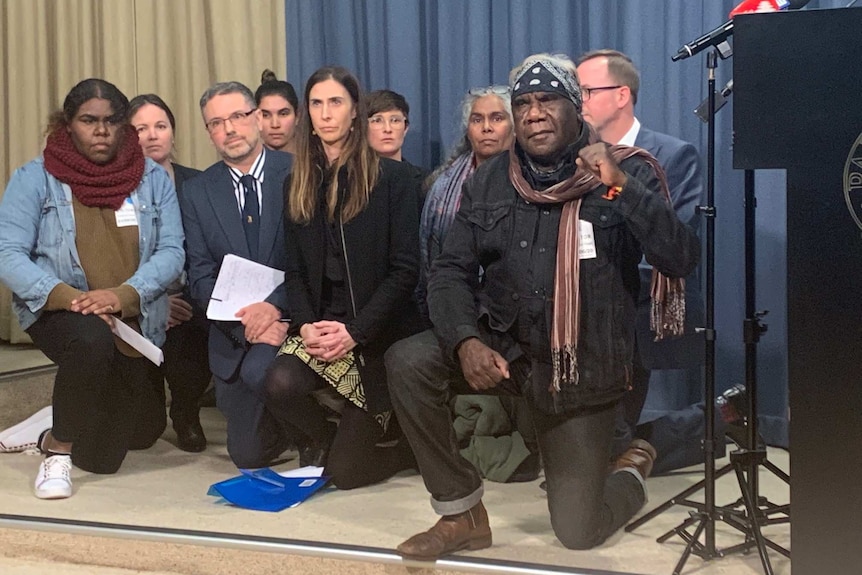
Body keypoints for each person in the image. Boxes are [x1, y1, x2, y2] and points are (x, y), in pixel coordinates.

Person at [385, 53, 699, 558]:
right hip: (507, 351)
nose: (532, 113)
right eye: (523, 103)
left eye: (547, 100)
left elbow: (680, 257)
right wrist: (465, 340)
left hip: (581, 366)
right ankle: (461, 512)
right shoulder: (491, 179)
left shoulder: (622, 170)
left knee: (578, 531)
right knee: (409, 359)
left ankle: (633, 466)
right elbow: (449, 271)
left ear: (577, 109)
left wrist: (618, 186)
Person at [0, 78, 185, 499]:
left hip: (130, 316)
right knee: (90, 340)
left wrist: (122, 296)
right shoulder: (34, 178)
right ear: (68, 124)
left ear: (123, 125)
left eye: (111, 121)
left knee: (122, 446)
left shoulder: (152, 178)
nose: (101, 130)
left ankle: (49, 429)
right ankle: (58, 456)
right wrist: (74, 299)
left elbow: (173, 251)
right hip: (59, 310)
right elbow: (7, 253)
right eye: (89, 121)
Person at [264, 66, 421, 489]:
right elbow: (294, 269)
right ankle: (326, 439)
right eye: (316, 103)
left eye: (336, 102)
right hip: (321, 324)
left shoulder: (397, 180)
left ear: (355, 112)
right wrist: (305, 325)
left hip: (375, 333)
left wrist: (355, 331)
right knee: (277, 380)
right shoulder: (296, 182)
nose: (326, 113)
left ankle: (405, 448)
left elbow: (406, 271)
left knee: (346, 475)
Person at [577, 49, 710, 473]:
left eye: (586, 91)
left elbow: (677, 238)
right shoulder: (571, 157)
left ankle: (706, 424)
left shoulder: (671, 155)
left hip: (637, 306)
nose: (577, 101)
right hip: (580, 305)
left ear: (621, 95)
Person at [180, 81, 295, 469]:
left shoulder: (298, 173)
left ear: (258, 118)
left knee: (265, 371)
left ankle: (314, 429)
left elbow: (316, 263)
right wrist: (249, 319)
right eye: (216, 122)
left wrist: (274, 309)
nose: (228, 129)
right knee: (248, 456)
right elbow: (199, 276)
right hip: (235, 332)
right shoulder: (198, 191)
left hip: (293, 321)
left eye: (237, 117)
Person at [129, 93, 212, 453]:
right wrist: (156, 300)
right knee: (142, 433)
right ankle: (147, 407)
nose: (151, 135)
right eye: (140, 129)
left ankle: (186, 411)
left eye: (160, 126)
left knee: (194, 326)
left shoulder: (200, 184)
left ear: (173, 133)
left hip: (190, 301)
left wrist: (184, 298)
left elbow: (211, 252)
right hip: (138, 304)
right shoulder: (115, 190)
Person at [417, 85, 514, 321]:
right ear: (468, 129)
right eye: (477, 119)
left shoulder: (530, 183)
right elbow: (431, 260)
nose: (486, 127)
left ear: (515, 127)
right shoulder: (442, 186)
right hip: (452, 302)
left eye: (497, 118)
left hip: (510, 311)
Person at [365, 89, 428, 198]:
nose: (388, 129)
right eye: (377, 120)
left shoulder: (425, 180)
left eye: (395, 120)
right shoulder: (353, 180)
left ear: (405, 128)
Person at [255, 69, 299, 155]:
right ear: (256, 119)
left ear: (297, 116)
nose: (275, 125)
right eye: (266, 115)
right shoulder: (246, 165)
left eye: (283, 114)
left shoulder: (317, 163)